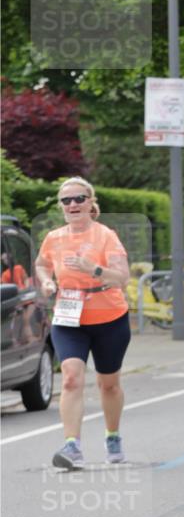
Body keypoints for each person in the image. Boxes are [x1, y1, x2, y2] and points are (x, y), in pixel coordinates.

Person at [35, 177, 131, 470]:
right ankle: (72, 445)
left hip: (109, 316)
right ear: (61, 206)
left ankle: (112, 435)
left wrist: (95, 269)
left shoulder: (106, 236)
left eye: (79, 199)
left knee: (108, 384)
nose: (73, 204)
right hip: (68, 314)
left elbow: (123, 277)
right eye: (66, 200)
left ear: (91, 203)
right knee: (71, 376)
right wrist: (47, 281)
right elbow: (41, 265)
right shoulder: (54, 238)